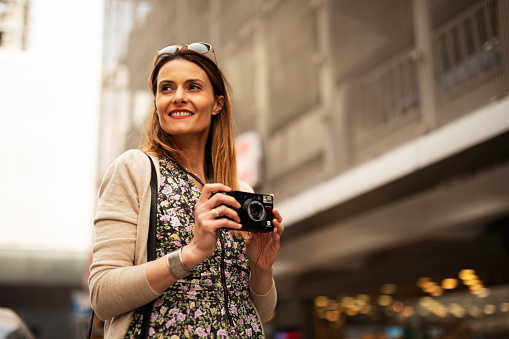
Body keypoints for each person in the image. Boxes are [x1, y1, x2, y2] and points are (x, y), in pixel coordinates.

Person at [88, 42, 284, 339]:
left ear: (217, 103)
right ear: (156, 102)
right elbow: (102, 296)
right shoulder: (135, 169)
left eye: (193, 87)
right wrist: (191, 253)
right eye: (166, 88)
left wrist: (261, 267)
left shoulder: (239, 189)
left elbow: (260, 309)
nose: (178, 97)